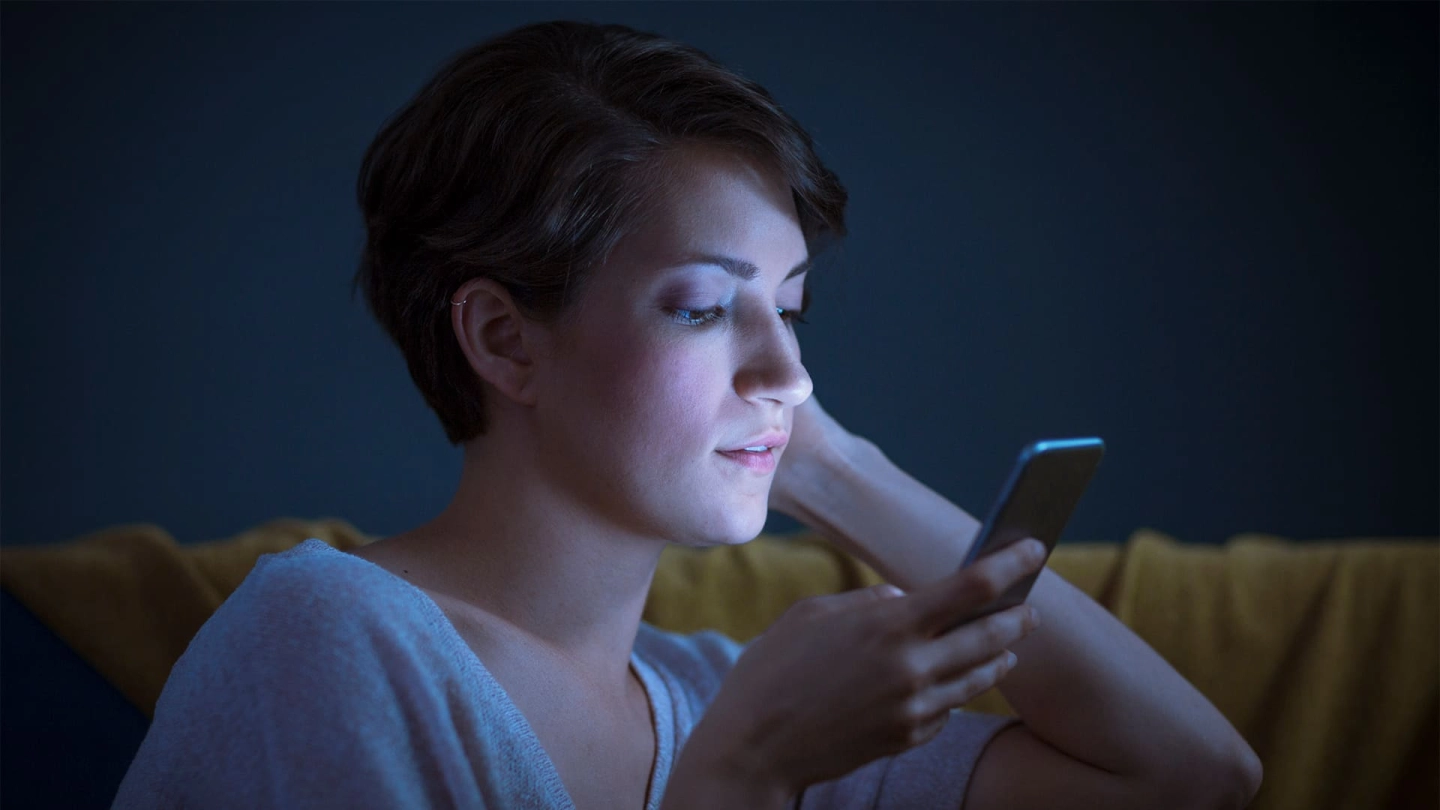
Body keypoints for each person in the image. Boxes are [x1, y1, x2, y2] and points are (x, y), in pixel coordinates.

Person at [113, 20, 1262, 810]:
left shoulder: (718, 691)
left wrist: (829, 465)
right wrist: (747, 775)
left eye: (794, 308)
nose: (786, 365)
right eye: (706, 308)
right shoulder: (331, 640)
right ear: (504, 340)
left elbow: (1189, 774)